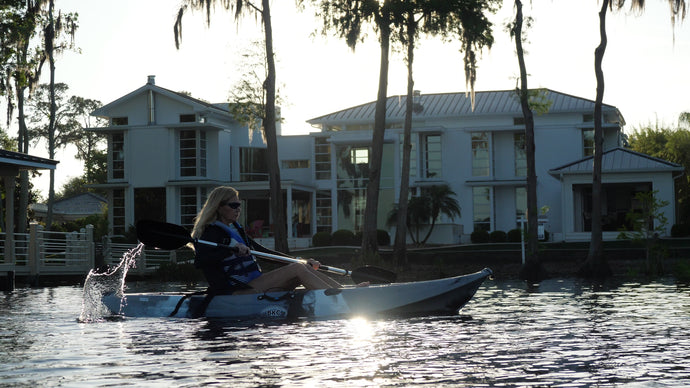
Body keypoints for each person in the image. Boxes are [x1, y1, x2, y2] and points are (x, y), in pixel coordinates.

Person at [191, 186, 342, 294]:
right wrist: (230, 250)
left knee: (302, 266)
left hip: (255, 284)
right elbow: (200, 261)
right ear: (219, 207)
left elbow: (264, 252)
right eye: (233, 205)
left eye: (239, 205)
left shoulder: (236, 231)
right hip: (236, 292)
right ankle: (339, 298)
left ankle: (342, 291)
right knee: (297, 268)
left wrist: (301, 260)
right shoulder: (210, 234)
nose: (238, 209)